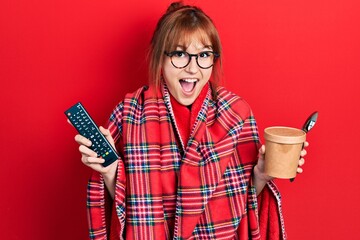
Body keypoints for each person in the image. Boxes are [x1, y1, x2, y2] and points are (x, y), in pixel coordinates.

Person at [72, 2, 308, 239]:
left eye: (204, 55)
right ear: (160, 56)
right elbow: (123, 208)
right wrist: (111, 171)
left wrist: (261, 175)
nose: (193, 68)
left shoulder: (236, 113)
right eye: (179, 54)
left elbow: (243, 206)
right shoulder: (129, 113)